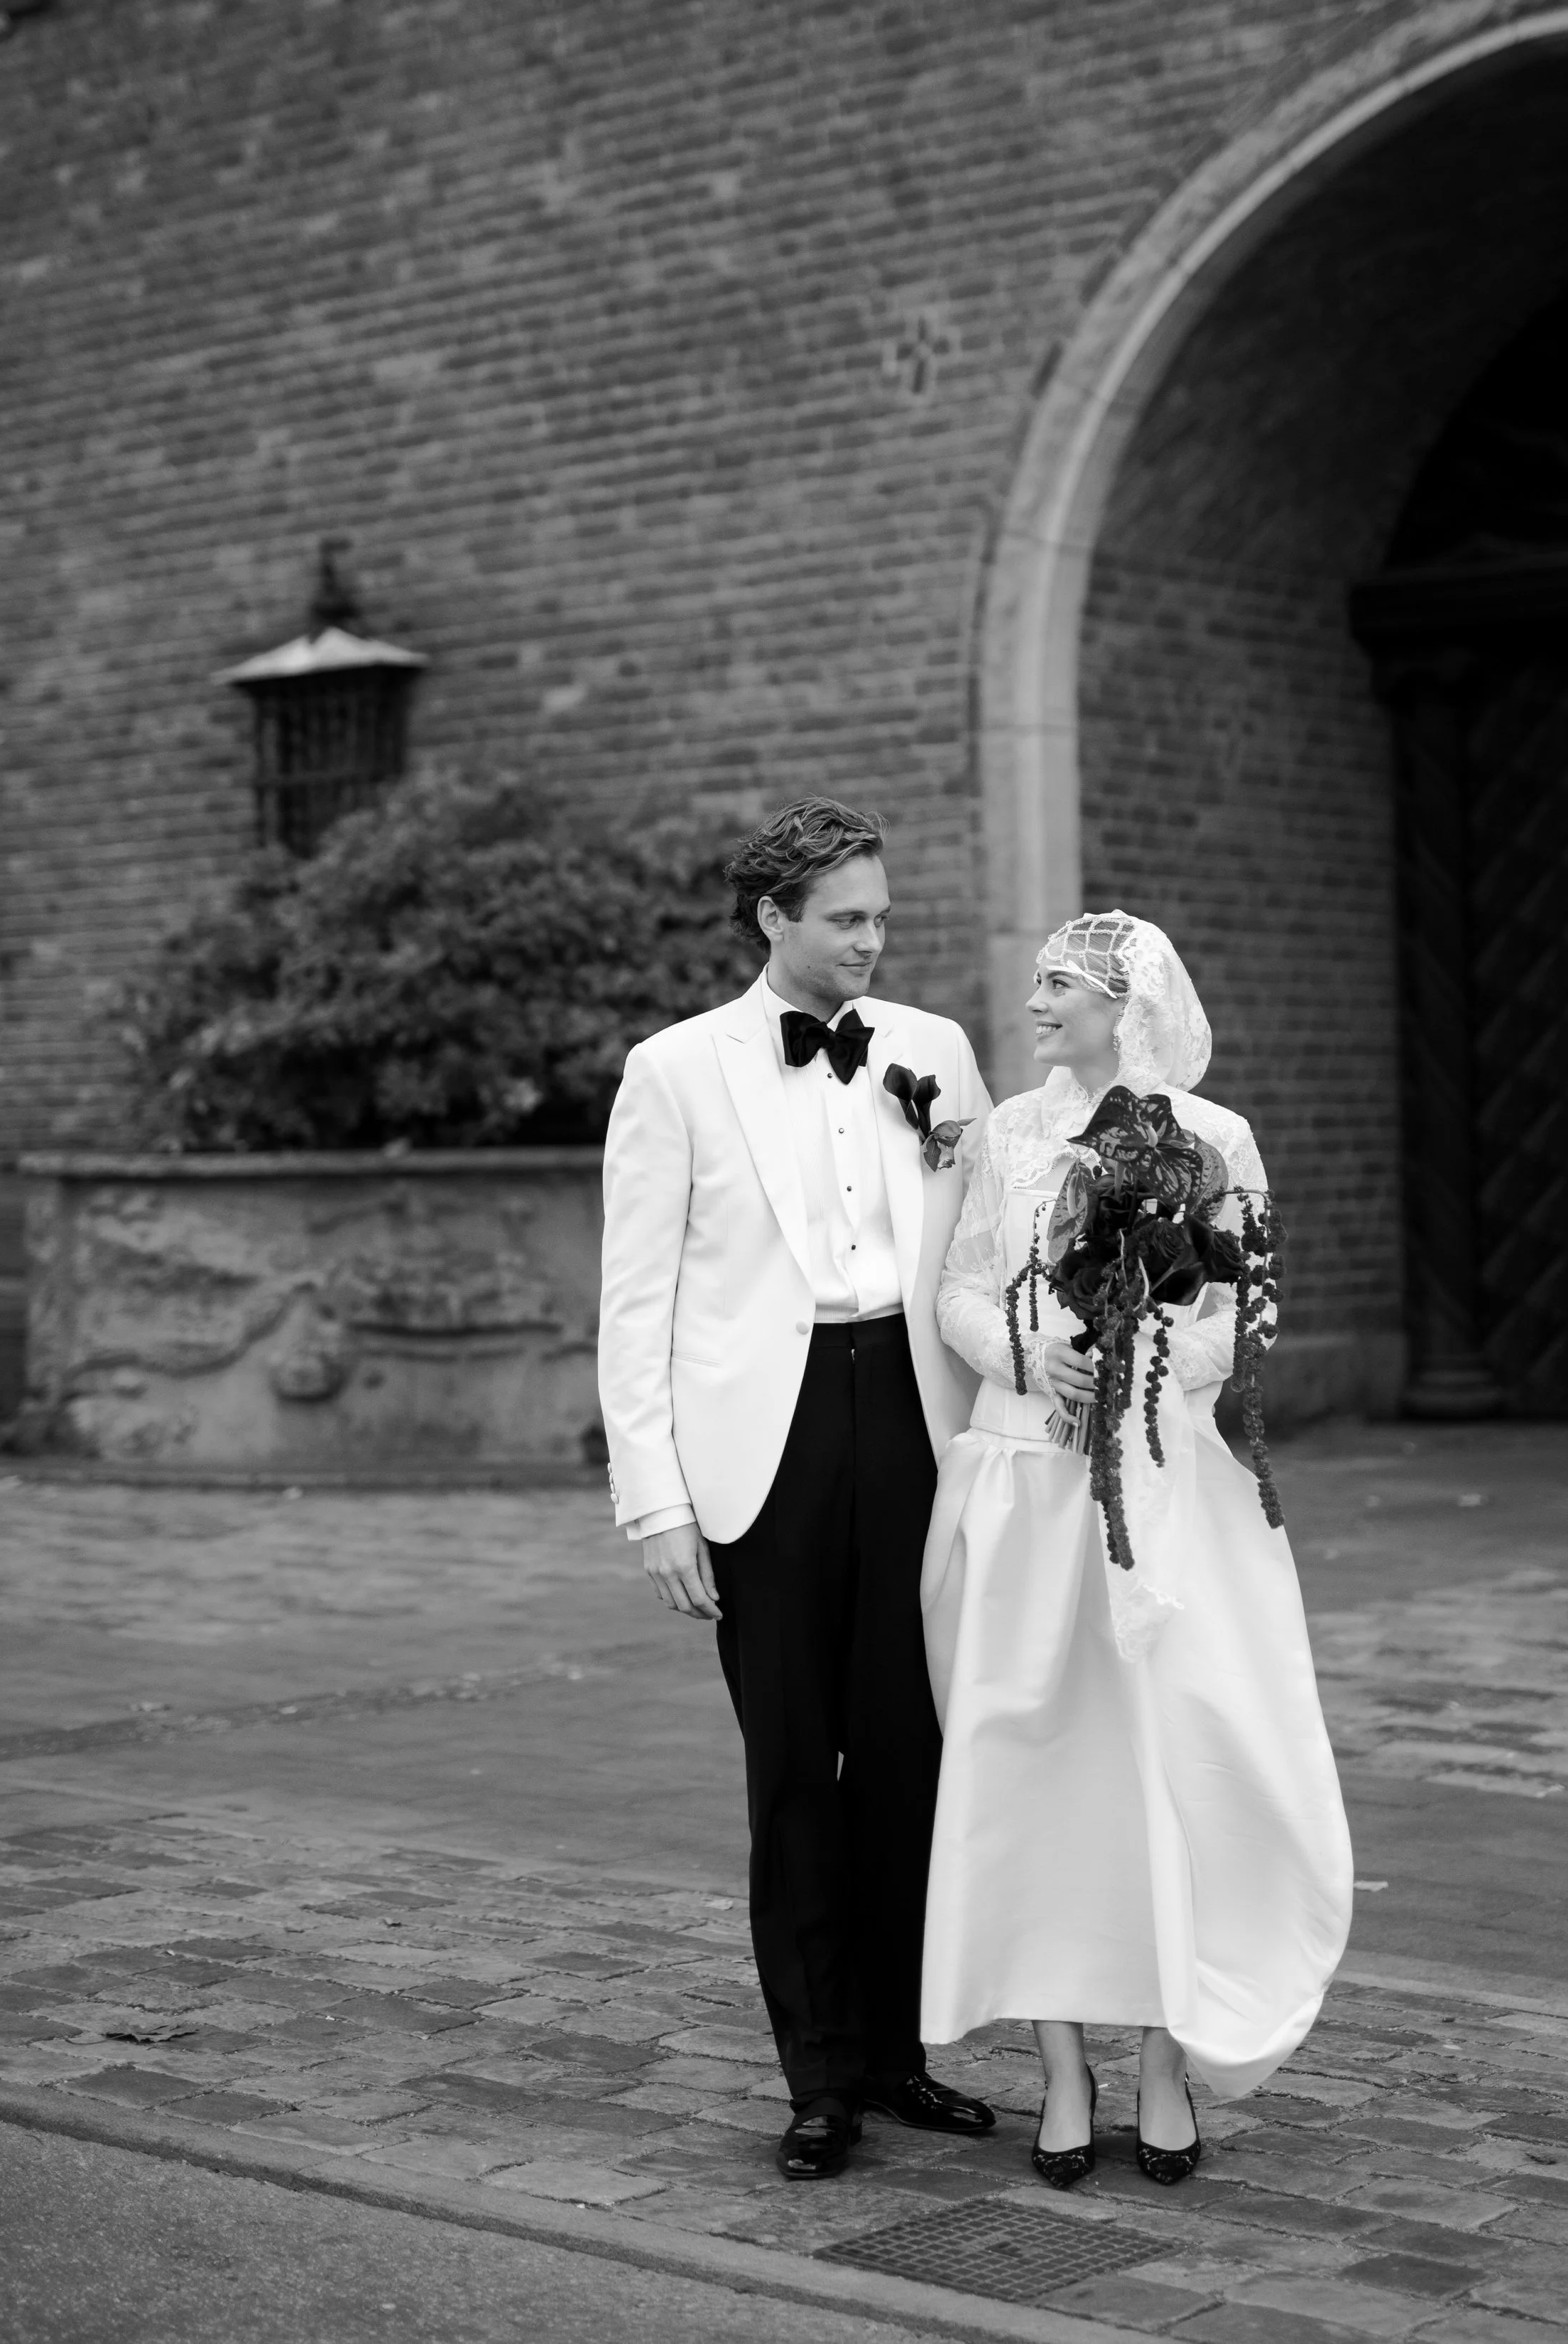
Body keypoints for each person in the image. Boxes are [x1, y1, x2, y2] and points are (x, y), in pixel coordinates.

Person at [920, 911, 1353, 2188]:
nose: (1035, 999)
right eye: (1040, 980)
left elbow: (1246, 1309)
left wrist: (1137, 1355)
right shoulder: (1004, 1130)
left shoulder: (1214, 1140)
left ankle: (1166, 2059)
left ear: (1126, 1004)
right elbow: (958, 1287)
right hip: (1023, 1490)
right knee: (1028, 1769)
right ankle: (1063, 2068)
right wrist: (1025, 1350)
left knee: (1167, 1767)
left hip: (1156, 1492)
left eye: (1060, 983)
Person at [598, 797, 997, 2180]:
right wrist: (653, 1501)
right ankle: (816, 2078)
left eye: (881, 917)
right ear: (772, 917)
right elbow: (633, 1300)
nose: (871, 943)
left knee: (911, 1756)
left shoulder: (937, 1054)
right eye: (845, 920)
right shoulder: (673, 1070)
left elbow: (985, 1250)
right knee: (793, 1772)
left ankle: (895, 2055)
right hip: (753, 1453)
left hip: (911, 1422)